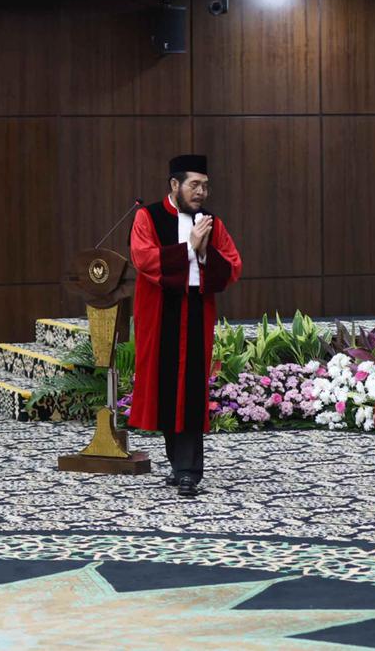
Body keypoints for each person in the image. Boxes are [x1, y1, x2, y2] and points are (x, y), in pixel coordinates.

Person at [128, 154, 241, 498]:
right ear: (174, 185)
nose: (202, 192)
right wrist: (188, 248)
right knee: (166, 390)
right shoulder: (148, 216)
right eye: (195, 184)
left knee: (190, 390)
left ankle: (189, 470)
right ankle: (178, 464)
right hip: (161, 312)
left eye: (205, 185)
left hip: (194, 311)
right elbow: (143, 258)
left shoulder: (211, 222)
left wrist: (205, 253)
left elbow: (233, 265)